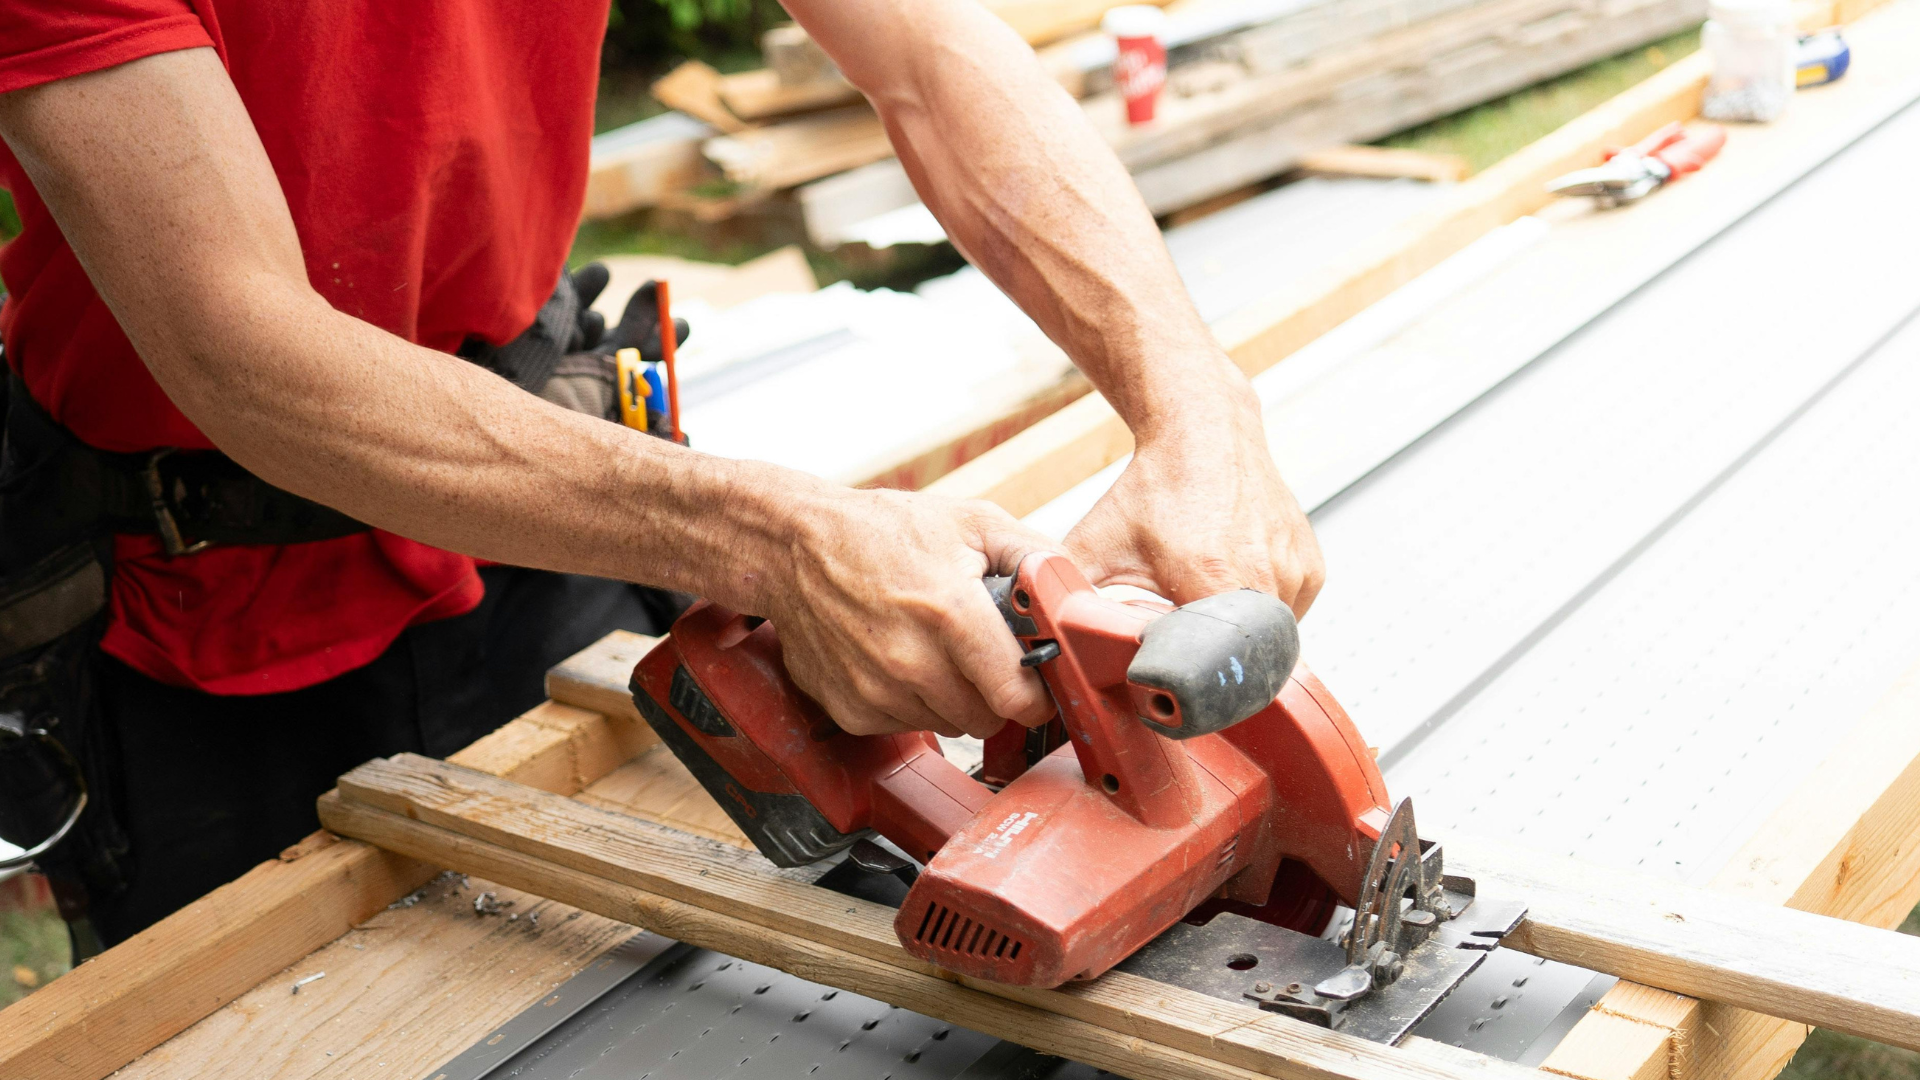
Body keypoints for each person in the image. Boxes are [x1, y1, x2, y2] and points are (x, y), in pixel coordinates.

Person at [0, 0, 1324, 953]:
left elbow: (929, 53)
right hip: (197, 610)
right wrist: (782, 539)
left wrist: (1199, 409)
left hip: (538, 503)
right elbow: (242, 349)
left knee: (666, 983)